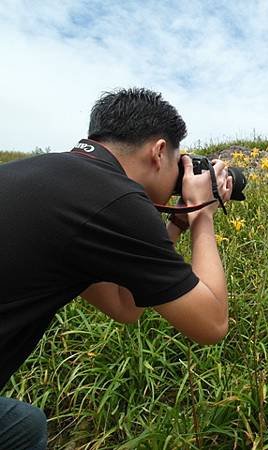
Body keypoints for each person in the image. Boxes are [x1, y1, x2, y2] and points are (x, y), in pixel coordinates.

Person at [0, 87, 232, 448]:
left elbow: (124, 305)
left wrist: (177, 224)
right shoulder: (116, 197)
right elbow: (212, 322)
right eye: (177, 162)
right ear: (158, 152)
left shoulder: (47, 178)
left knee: (23, 426)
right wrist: (203, 215)